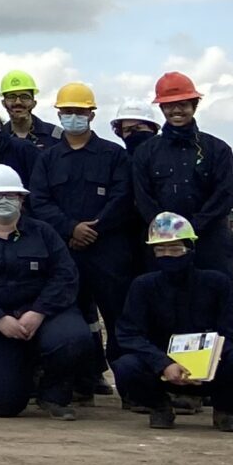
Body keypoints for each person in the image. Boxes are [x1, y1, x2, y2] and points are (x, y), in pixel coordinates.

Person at [0, 163, 96, 419]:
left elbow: (65, 276)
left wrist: (38, 311)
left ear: (22, 198)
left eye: (10, 195)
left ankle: (53, 393)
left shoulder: (44, 232)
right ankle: (21, 375)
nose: (3, 201)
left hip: (44, 318)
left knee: (74, 339)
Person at [28, 82, 137, 401]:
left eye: (79, 111)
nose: (73, 117)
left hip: (109, 253)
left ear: (91, 114)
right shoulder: (48, 159)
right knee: (69, 321)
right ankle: (78, 383)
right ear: (59, 115)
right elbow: (40, 200)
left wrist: (95, 229)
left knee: (119, 320)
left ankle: (131, 388)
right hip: (65, 254)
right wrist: (71, 229)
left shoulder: (113, 155)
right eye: (67, 112)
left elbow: (122, 196)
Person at [115, 212, 233, 432]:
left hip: (210, 371)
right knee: (126, 367)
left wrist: (204, 364)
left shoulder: (216, 284)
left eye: (175, 249)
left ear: (191, 250)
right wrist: (163, 363)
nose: (167, 256)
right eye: (160, 250)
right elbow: (129, 335)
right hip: (164, 371)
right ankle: (159, 407)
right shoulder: (143, 287)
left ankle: (227, 409)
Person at [131, 71, 233, 282]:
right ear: (161, 108)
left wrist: (191, 229)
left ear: (194, 105)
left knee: (217, 300)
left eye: (183, 104)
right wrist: (170, 233)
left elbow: (224, 196)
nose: (177, 110)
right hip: (163, 244)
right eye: (169, 105)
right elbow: (143, 197)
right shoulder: (146, 152)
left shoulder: (217, 149)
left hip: (210, 242)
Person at [0, 69, 58, 171]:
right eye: (11, 97)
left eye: (24, 97)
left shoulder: (56, 136)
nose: (18, 102)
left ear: (34, 103)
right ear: (3, 103)